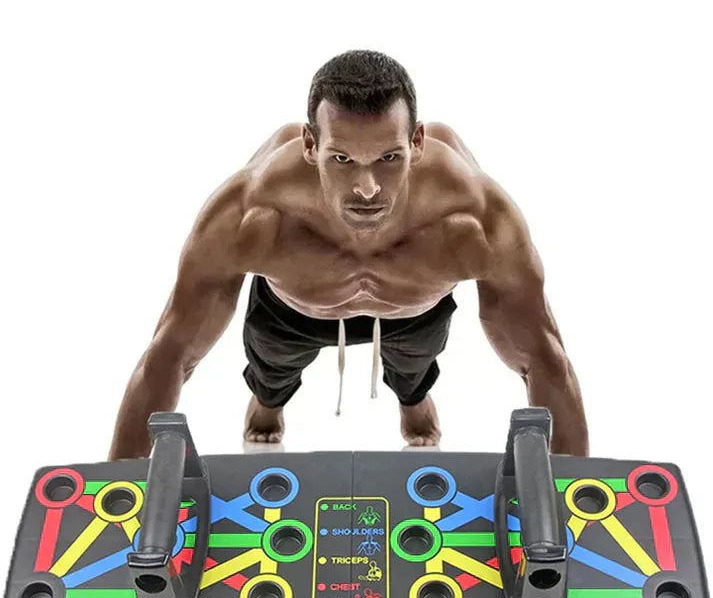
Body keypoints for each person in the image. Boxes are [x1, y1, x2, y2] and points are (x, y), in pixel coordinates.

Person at [108, 49, 588, 460]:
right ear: (310, 146)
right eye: (342, 159)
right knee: (271, 368)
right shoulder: (253, 215)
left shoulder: (473, 221)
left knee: (415, 367)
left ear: (417, 143)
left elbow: (543, 358)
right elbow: (172, 353)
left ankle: (413, 400)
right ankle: (269, 401)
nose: (367, 188)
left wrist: (574, 505)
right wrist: (116, 498)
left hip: (414, 311)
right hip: (292, 309)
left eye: (388, 158)